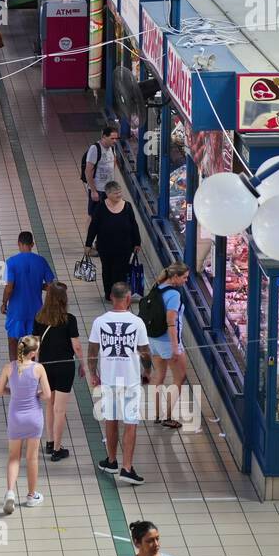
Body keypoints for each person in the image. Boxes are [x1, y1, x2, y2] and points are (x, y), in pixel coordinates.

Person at [88, 282, 150, 486]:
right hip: (130, 380)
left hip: (109, 379)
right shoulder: (137, 322)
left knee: (111, 420)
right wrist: (147, 370)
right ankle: (127, 467)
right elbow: (144, 351)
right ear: (128, 297)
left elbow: (92, 352)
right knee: (130, 423)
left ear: (111, 297)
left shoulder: (99, 322)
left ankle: (112, 460)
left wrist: (93, 374)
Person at [0, 335, 52, 512]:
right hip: (34, 417)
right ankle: (31, 495)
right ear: (34, 353)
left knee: (14, 457)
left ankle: (10, 493)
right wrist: (36, 394)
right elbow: (47, 395)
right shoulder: (39, 369)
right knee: (32, 457)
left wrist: (13, 393)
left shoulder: (9, 367)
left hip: (15, 417)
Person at [34, 282, 82, 461]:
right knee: (60, 410)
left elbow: (36, 345)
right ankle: (57, 449)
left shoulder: (39, 317)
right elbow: (76, 346)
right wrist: (84, 364)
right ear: (63, 299)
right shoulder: (70, 319)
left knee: (49, 405)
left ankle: (49, 441)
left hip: (46, 366)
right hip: (64, 366)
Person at [148, 262, 190, 431]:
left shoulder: (157, 287)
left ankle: (157, 414)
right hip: (168, 342)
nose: (186, 281)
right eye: (184, 277)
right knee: (180, 378)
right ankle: (168, 416)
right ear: (175, 277)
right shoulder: (173, 294)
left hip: (154, 340)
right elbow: (171, 321)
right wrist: (175, 348)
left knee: (159, 375)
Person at [1, 231, 56, 361]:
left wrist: (4, 303)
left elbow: (9, 288)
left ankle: (15, 370)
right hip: (35, 311)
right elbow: (51, 286)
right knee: (30, 345)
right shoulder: (41, 261)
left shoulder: (11, 262)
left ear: (19, 244)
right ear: (32, 244)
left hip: (16, 310)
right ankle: (28, 371)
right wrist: (38, 286)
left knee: (13, 341)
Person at [85, 180, 143, 303]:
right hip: (105, 247)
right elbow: (93, 227)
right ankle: (108, 293)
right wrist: (88, 244)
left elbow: (134, 225)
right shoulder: (101, 208)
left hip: (124, 247)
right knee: (107, 270)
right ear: (108, 194)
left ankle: (119, 295)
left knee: (121, 271)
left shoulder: (127, 206)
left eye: (120, 192)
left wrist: (137, 242)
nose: (119, 195)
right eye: (116, 193)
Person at [84, 125, 120, 217]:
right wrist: (93, 191)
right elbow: (88, 171)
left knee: (108, 215)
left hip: (109, 190)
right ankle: (91, 231)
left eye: (116, 138)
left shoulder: (112, 147)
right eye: (112, 138)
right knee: (94, 216)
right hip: (98, 189)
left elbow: (114, 160)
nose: (115, 141)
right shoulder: (95, 149)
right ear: (104, 136)